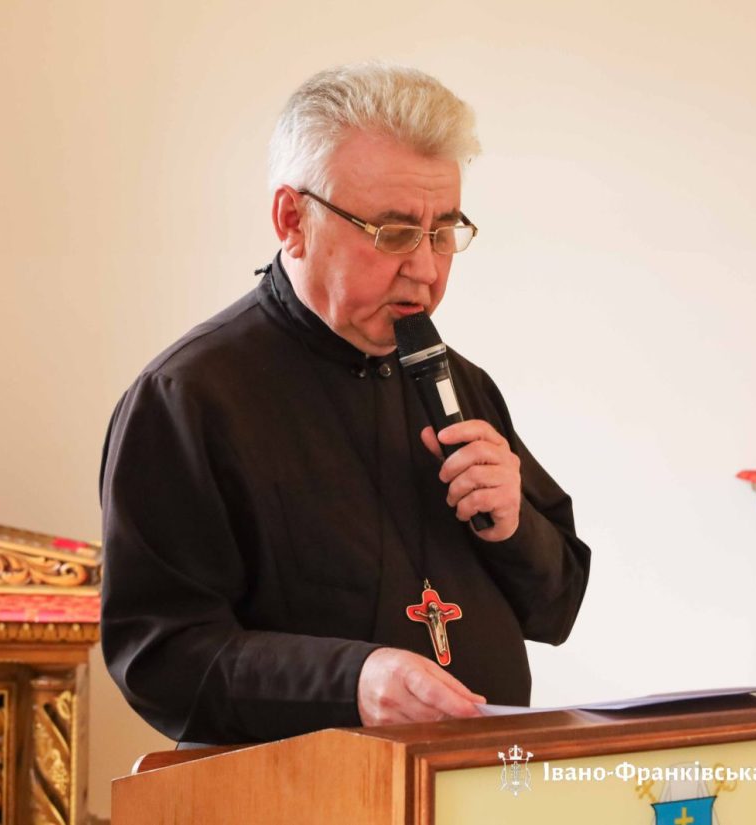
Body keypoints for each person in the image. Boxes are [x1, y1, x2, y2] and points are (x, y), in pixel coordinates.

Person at [99, 63, 591, 747]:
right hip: (293, 791)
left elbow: (556, 610)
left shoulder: (461, 384)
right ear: (292, 220)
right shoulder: (190, 398)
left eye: (442, 231)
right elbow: (157, 655)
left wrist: (513, 528)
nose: (426, 268)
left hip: (476, 782)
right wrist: (349, 682)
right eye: (393, 232)